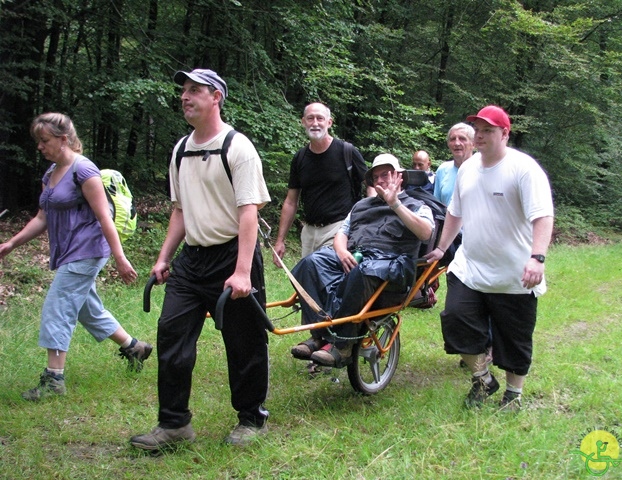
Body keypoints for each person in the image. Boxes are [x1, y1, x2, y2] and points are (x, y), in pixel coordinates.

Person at [130, 69, 271, 450]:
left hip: (233, 257)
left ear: (216, 98)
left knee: (244, 343)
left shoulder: (238, 148)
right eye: (183, 91)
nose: (185, 97)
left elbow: (249, 213)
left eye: (195, 91)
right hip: (192, 261)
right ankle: (174, 424)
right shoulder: (181, 149)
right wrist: (164, 258)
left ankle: (251, 418)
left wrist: (243, 272)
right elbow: (180, 210)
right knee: (171, 334)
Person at [0, 112, 152, 401]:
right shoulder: (50, 173)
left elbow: (105, 217)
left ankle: (53, 380)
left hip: (87, 251)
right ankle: (134, 347)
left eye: (44, 141)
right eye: (38, 141)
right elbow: (42, 218)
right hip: (68, 252)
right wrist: (11, 243)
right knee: (85, 308)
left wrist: (120, 258)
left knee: (57, 308)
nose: (39, 147)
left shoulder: (84, 171)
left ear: (64, 139)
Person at [426, 105, 554, 411]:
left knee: (514, 336)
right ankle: (482, 379)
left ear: (505, 134)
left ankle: (514, 395)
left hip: (514, 274)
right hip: (470, 267)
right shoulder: (468, 168)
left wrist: (537, 257)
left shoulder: (524, 169)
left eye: (487, 131)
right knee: (456, 320)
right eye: (478, 130)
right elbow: (455, 211)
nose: (480, 136)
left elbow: (543, 216)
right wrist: (442, 249)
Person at [289, 154, 434, 366]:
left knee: (363, 270)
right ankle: (317, 335)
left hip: (392, 264)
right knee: (310, 263)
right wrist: (341, 251)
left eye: (386, 174)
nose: (381, 180)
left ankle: (343, 345)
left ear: (400, 177)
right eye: (376, 177)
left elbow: (425, 234)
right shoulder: (361, 205)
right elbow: (342, 234)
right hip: (356, 255)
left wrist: (394, 204)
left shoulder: (417, 206)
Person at [273, 103, 367, 264]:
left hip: (339, 229)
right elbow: (290, 201)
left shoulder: (347, 152)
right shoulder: (300, 158)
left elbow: (370, 184)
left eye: (320, 118)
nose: (315, 123)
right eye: (310, 118)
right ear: (303, 121)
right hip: (309, 232)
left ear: (329, 122)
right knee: (307, 282)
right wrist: (280, 240)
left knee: (325, 277)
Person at [433, 123, 475, 206]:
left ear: (473, 144)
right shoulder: (442, 170)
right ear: (448, 144)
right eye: (452, 139)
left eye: (462, 139)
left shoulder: (482, 169)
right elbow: (436, 205)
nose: (457, 143)